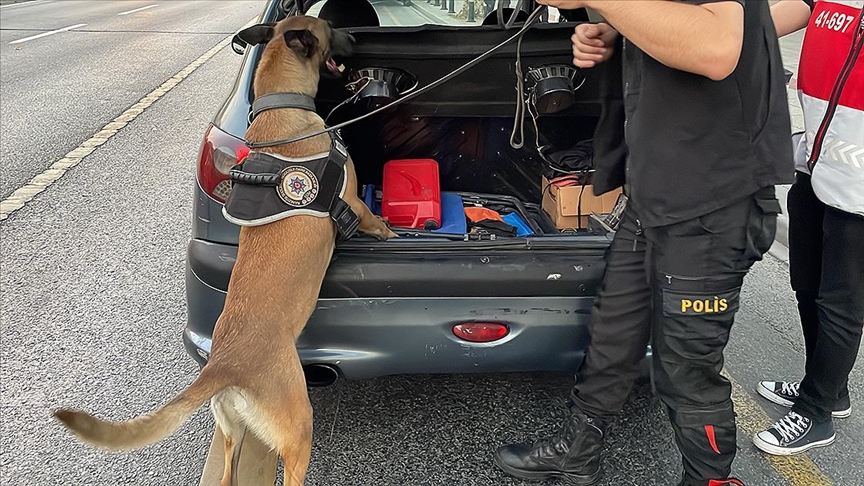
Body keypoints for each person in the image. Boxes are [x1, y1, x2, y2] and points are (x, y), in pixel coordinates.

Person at [493, 1, 793, 485]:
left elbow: (716, 47)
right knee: (612, 334)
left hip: (712, 204)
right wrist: (616, 29)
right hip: (654, 193)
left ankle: (710, 479)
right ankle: (578, 453)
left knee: (685, 371)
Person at [753, 0, 864, 456]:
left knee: (841, 302)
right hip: (814, 165)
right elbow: (754, 26)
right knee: (806, 283)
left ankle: (817, 413)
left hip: (859, 188)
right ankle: (826, 387)